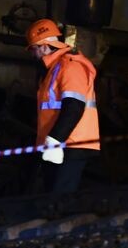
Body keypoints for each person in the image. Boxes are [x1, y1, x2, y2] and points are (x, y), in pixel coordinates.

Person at [26, 18, 100, 194]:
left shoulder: (70, 66)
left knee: (59, 201)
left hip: (70, 145)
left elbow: (74, 106)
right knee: (53, 199)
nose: (31, 54)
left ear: (44, 46)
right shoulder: (55, 69)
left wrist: (55, 140)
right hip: (61, 145)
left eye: (33, 49)